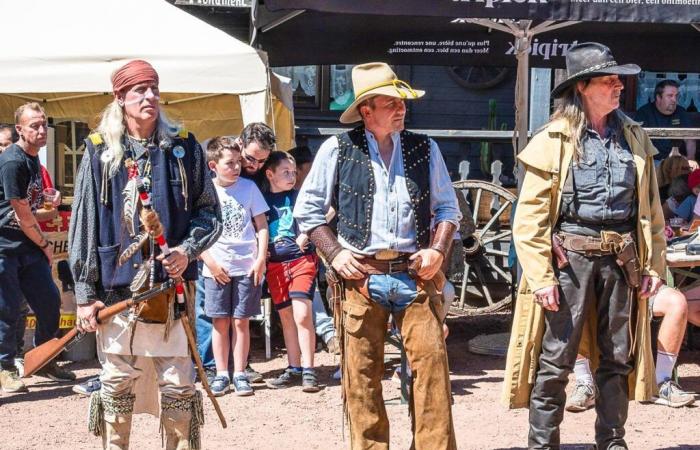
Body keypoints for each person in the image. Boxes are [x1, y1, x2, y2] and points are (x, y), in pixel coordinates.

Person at [504, 43, 665, 450]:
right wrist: (541, 276)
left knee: (616, 358)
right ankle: (543, 444)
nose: (618, 87)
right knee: (556, 358)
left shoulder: (633, 136)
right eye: (608, 80)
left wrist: (653, 267)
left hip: (622, 259)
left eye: (618, 80)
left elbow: (651, 212)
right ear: (582, 87)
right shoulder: (554, 139)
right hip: (569, 262)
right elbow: (529, 218)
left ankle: (612, 441)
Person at [294, 62, 460, 449]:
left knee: (432, 371)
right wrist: (334, 254)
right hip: (360, 277)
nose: (402, 109)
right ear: (367, 109)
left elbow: (449, 210)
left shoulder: (425, 147)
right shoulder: (337, 148)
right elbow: (308, 210)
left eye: (402, 102)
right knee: (361, 378)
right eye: (391, 102)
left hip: (415, 273)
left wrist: (437, 250)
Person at [70, 60, 221, 449]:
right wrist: (86, 294)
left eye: (153, 88)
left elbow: (209, 212)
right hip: (118, 290)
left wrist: (188, 251)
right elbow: (85, 222)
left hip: (172, 291)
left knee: (179, 385)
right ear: (120, 98)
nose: (149, 96)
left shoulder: (184, 148)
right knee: (116, 382)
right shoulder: (99, 151)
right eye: (139, 90)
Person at [0, 103, 75, 394]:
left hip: (27, 245)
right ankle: (5, 369)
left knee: (49, 301)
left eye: (44, 124)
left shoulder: (33, 161)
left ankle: (44, 359)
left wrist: (52, 203)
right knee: (6, 310)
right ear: (20, 129)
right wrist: (44, 244)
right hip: (6, 245)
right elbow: (19, 212)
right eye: (34, 126)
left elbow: (33, 210)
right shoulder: (12, 160)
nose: (41, 130)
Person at [201, 136, 268, 397]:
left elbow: (261, 225)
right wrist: (209, 261)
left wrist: (260, 259)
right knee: (220, 322)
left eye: (238, 162)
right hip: (216, 267)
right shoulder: (206, 192)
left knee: (241, 321)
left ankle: (239, 372)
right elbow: (197, 232)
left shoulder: (249, 188)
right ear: (213, 165)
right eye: (230, 163)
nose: (237, 167)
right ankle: (220, 373)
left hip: (246, 265)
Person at [567, 285, 695, 411]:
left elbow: (654, 265)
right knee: (575, 299)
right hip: (595, 286)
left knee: (676, 303)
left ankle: (660, 384)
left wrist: (653, 274)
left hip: (636, 287)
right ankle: (585, 384)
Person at [262, 151, 320, 392]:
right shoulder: (263, 200)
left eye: (293, 172)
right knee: (286, 317)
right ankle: (294, 367)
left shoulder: (300, 196)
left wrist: (305, 234)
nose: (291, 176)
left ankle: (309, 369)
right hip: (275, 265)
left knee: (302, 314)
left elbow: (326, 211)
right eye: (285, 172)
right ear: (270, 174)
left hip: (301, 260)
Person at [288, 145, 339, 353]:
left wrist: (310, 232)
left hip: (313, 251)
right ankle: (326, 333)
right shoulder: (285, 194)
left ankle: (328, 333)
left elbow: (332, 209)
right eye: (306, 171)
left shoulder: (314, 191)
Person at [635, 79, 697, 166]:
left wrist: (690, 159)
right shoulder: (644, 113)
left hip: (676, 161)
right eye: (670, 96)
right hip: (652, 161)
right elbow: (636, 141)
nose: (674, 100)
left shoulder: (681, 112)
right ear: (658, 97)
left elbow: (690, 139)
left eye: (676, 96)